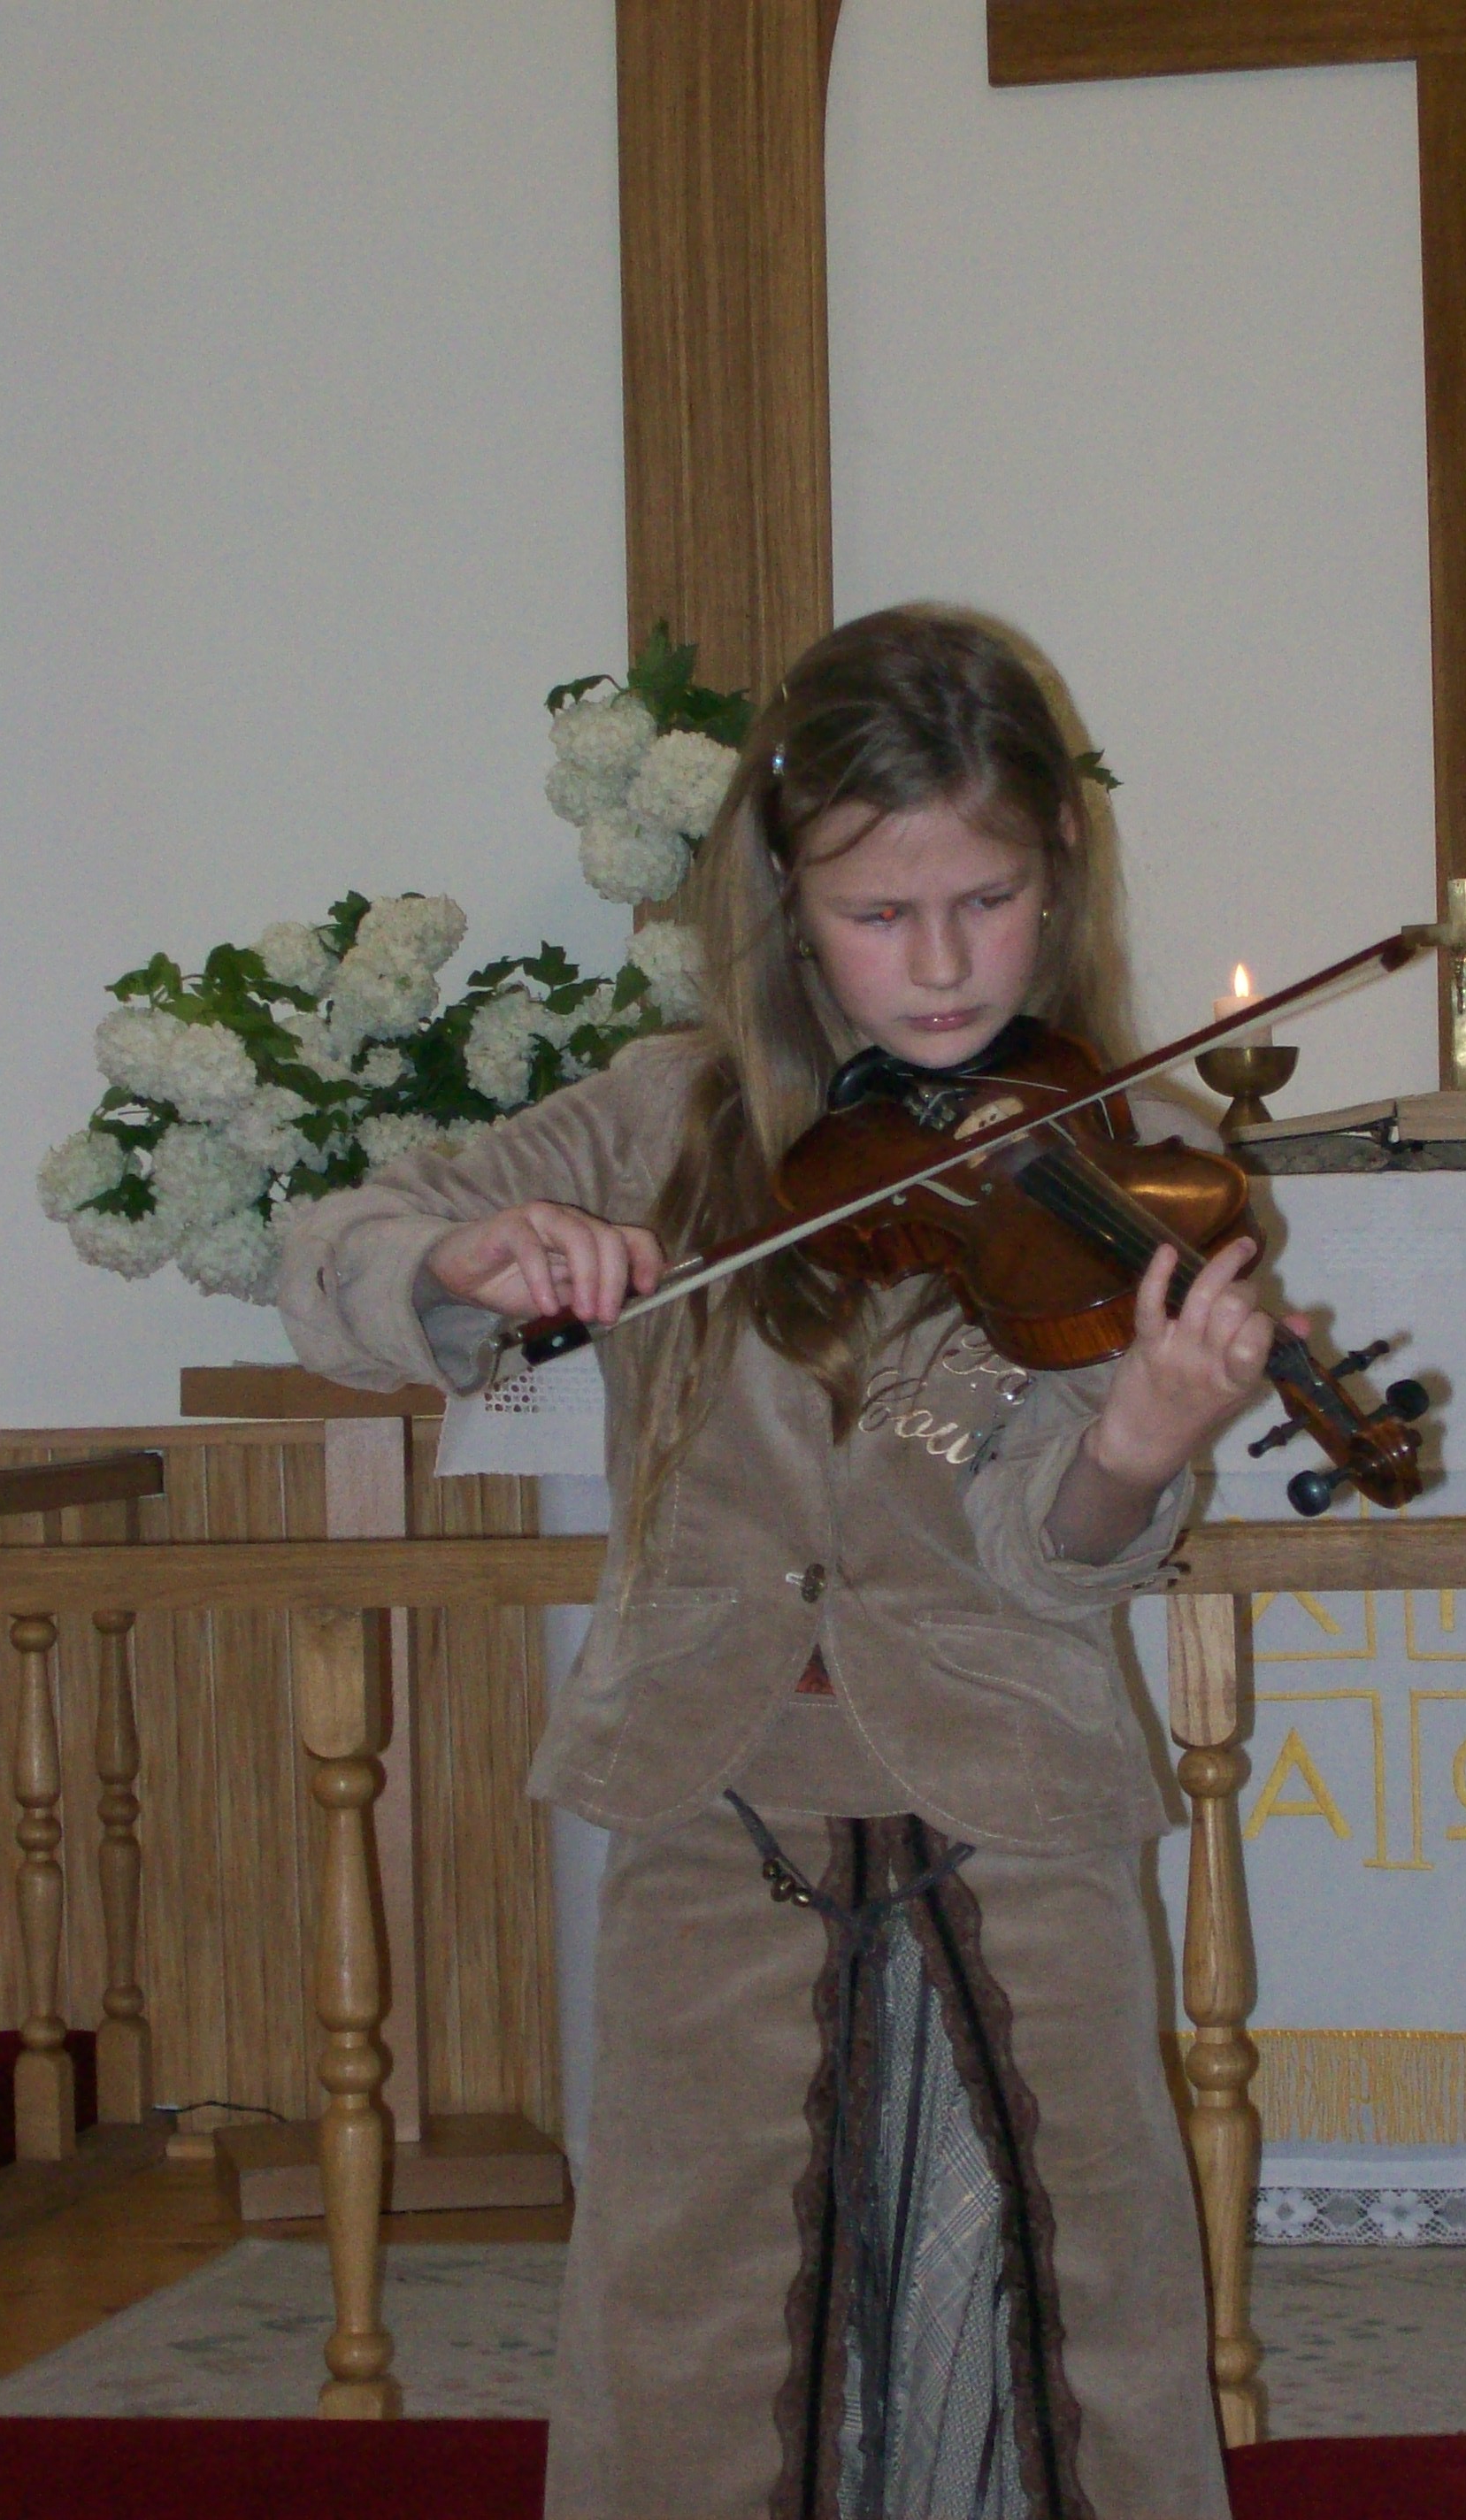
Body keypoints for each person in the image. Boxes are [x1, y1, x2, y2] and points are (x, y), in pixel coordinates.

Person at [280, 606, 1279, 2520]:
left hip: (1010, 1798)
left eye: (984, 902)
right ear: (785, 900)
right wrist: (455, 1263)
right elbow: (333, 1253)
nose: (937, 963)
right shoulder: (663, 1115)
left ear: (1059, 873)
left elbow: (1048, 1558)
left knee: (1067, 2323)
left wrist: (1139, 1447)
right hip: (710, 1788)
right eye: (875, 912)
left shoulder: (1127, 1160)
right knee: (693, 2339)